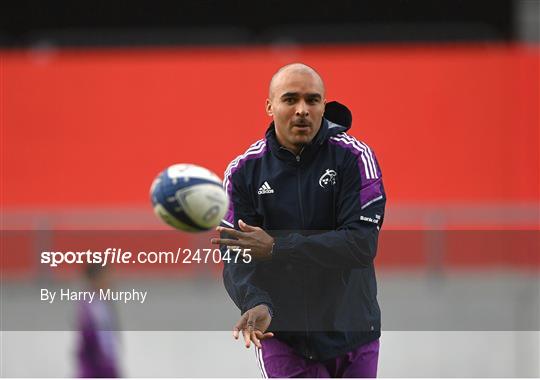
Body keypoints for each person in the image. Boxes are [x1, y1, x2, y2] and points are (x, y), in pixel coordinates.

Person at [211, 63, 385, 378]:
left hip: (354, 333)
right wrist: (257, 303)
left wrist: (278, 247)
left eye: (312, 100)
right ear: (269, 106)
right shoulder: (242, 174)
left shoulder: (356, 158)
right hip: (283, 337)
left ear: (323, 106)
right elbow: (236, 256)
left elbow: (361, 244)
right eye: (290, 99)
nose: (302, 110)